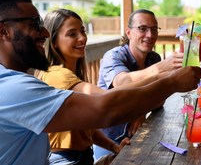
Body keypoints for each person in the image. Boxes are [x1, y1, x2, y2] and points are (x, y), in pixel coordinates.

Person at [0, 0, 201, 165]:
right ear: (4, 31)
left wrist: (114, 148)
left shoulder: (21, 80)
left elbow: (87, 119)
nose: (44, 32)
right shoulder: (14, 87)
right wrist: (170, 80)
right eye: (35, 24)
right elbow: (104, 106)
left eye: (83, 31)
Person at [35, 9, 131, 164]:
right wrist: (163, 78)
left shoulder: (71, 75)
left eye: (82, 31)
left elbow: (85, 128)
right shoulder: (56, 75)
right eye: (72, 34)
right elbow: (107, 98)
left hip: (83, 155)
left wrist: (114, 147)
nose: (82, 38)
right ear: (53, 42)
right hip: (64, 159)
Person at [94, 9, 184, 158]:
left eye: (154, 29)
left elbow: (159, 99)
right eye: (143, 29)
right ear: (129, 33)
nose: (150, 35)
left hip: (139, 136)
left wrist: (141, 111)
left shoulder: (153, 58)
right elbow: (122, 82)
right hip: (109, 140)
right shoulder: (114, 56)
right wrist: (160, 68)